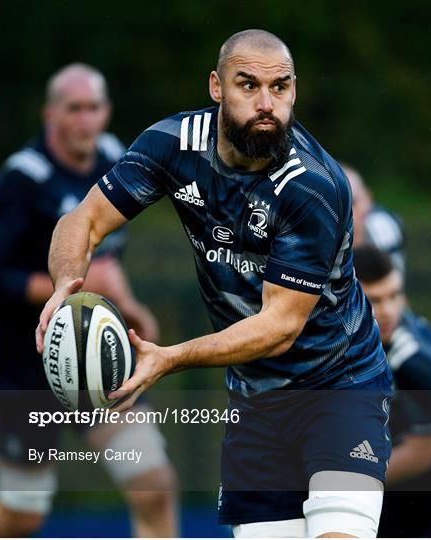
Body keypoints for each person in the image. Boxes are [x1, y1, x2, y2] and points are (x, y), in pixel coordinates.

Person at [37, 31, 393, 538]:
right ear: (216, 87)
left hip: (339, 389)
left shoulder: (313, 186)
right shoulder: (174, 145)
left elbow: (278, 327)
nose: (267, 103)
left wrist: (170, 357)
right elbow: (85, 221)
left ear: (295, 90)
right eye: (248, 85)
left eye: (281, 87)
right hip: (256, 404)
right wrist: (64, 287)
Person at [0, 64, 177, 537]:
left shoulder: (116, 159)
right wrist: (57, 289)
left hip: (98, 361)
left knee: (154, 485)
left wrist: (128, 307)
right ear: (50, 114)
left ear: (107, 112)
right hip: (26, 371)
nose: (85, 119)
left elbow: (107, 262)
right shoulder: (22, 180)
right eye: (74, 108)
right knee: (22, 514)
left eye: (93, 107)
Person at [354, 244, 431, 537]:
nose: (388, 311)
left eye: (394, 295)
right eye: (374, 299)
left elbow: (420, 454)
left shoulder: (421, 361)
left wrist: (336, 480)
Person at [342, 164, 405, 274]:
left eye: (353, 202)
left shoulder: (383, 229)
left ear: (368, 199)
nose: (346, 213)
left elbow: (390, 286)